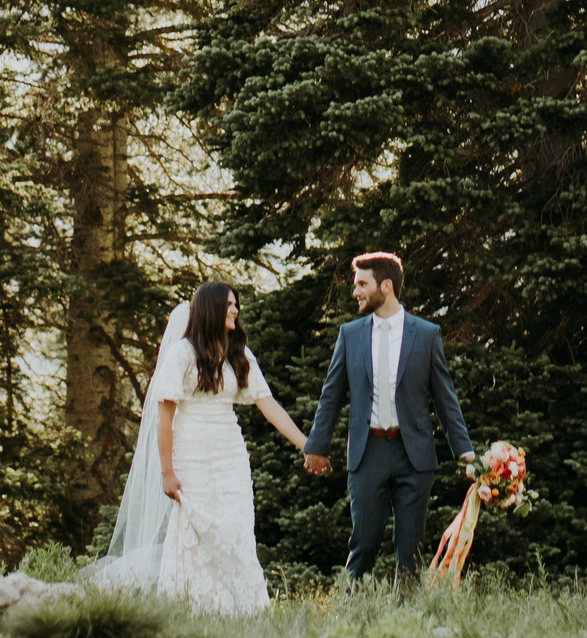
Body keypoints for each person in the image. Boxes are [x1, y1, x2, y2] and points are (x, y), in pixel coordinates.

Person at [90, 282, 308, 613]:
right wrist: (167, 472)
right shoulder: (183, 354)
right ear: (210, 309)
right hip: (191, 454)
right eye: (229, 305)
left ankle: (246, 609)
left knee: (237, 529)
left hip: (230, 454)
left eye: (236, 305)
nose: (235, 310)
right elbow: (165, 418)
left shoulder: (239, 354)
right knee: (193, 533)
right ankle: (193, 607)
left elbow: (268, 405)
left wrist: (307, 444)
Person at [303, 253, 475, 587]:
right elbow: (331, 395)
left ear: (386, 286)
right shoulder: (350, 335)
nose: (356, 292)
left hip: (415, 457)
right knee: (363, 545)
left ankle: (407, 624)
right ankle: (353, 618)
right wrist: (317, 446)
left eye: (362, 284)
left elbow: (445, 398)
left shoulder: (425, 334)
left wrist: (464, 451)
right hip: (368, 455)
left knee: (410, 550)